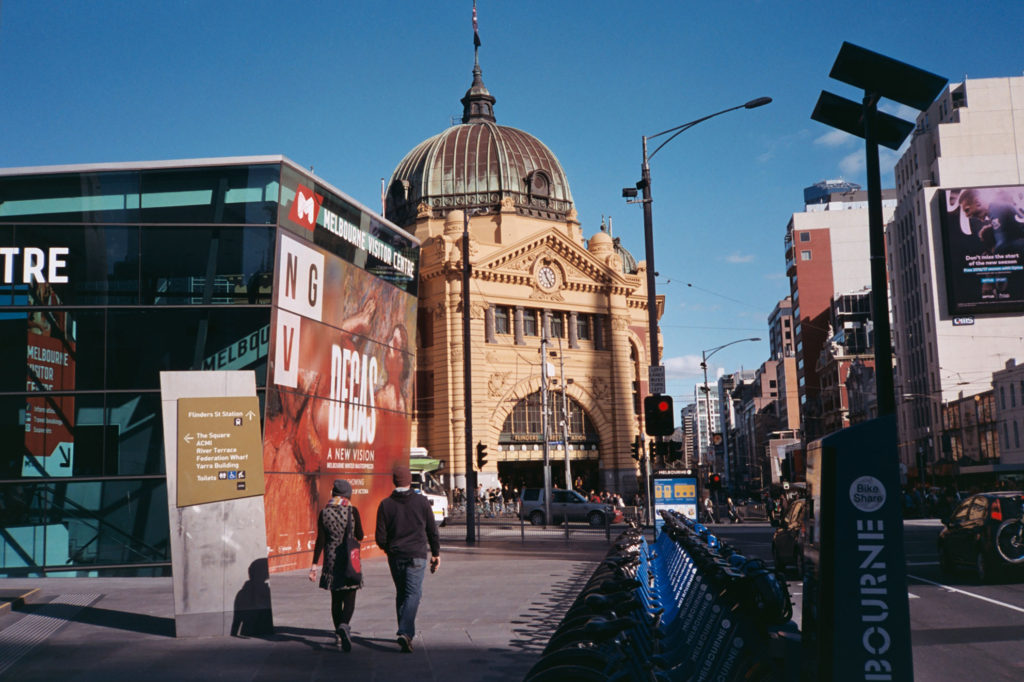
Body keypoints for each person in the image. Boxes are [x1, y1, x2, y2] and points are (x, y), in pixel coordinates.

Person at [376, 463, 441, 653]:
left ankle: (406, 634)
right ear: (410, 480)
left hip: (396, 556)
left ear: (394, 481)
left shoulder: (385, 504)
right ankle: (405, 632)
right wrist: (436, 553)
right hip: (417, 554)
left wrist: (390, 549)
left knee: (402, 593)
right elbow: (432, 530)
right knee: (414, 594)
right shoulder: (422, 502)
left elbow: (380, 537)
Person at [309, 479, 363, 651]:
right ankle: (345, 626)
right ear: (348, 494)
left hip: (332, 560)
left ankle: (339, 634)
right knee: (350, 597)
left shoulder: (324, 513)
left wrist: (313, 565)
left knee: (335, 600)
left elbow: (321, 541)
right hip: (349, 559)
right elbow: (360, 535)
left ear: (333, 494)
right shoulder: (352, 511)